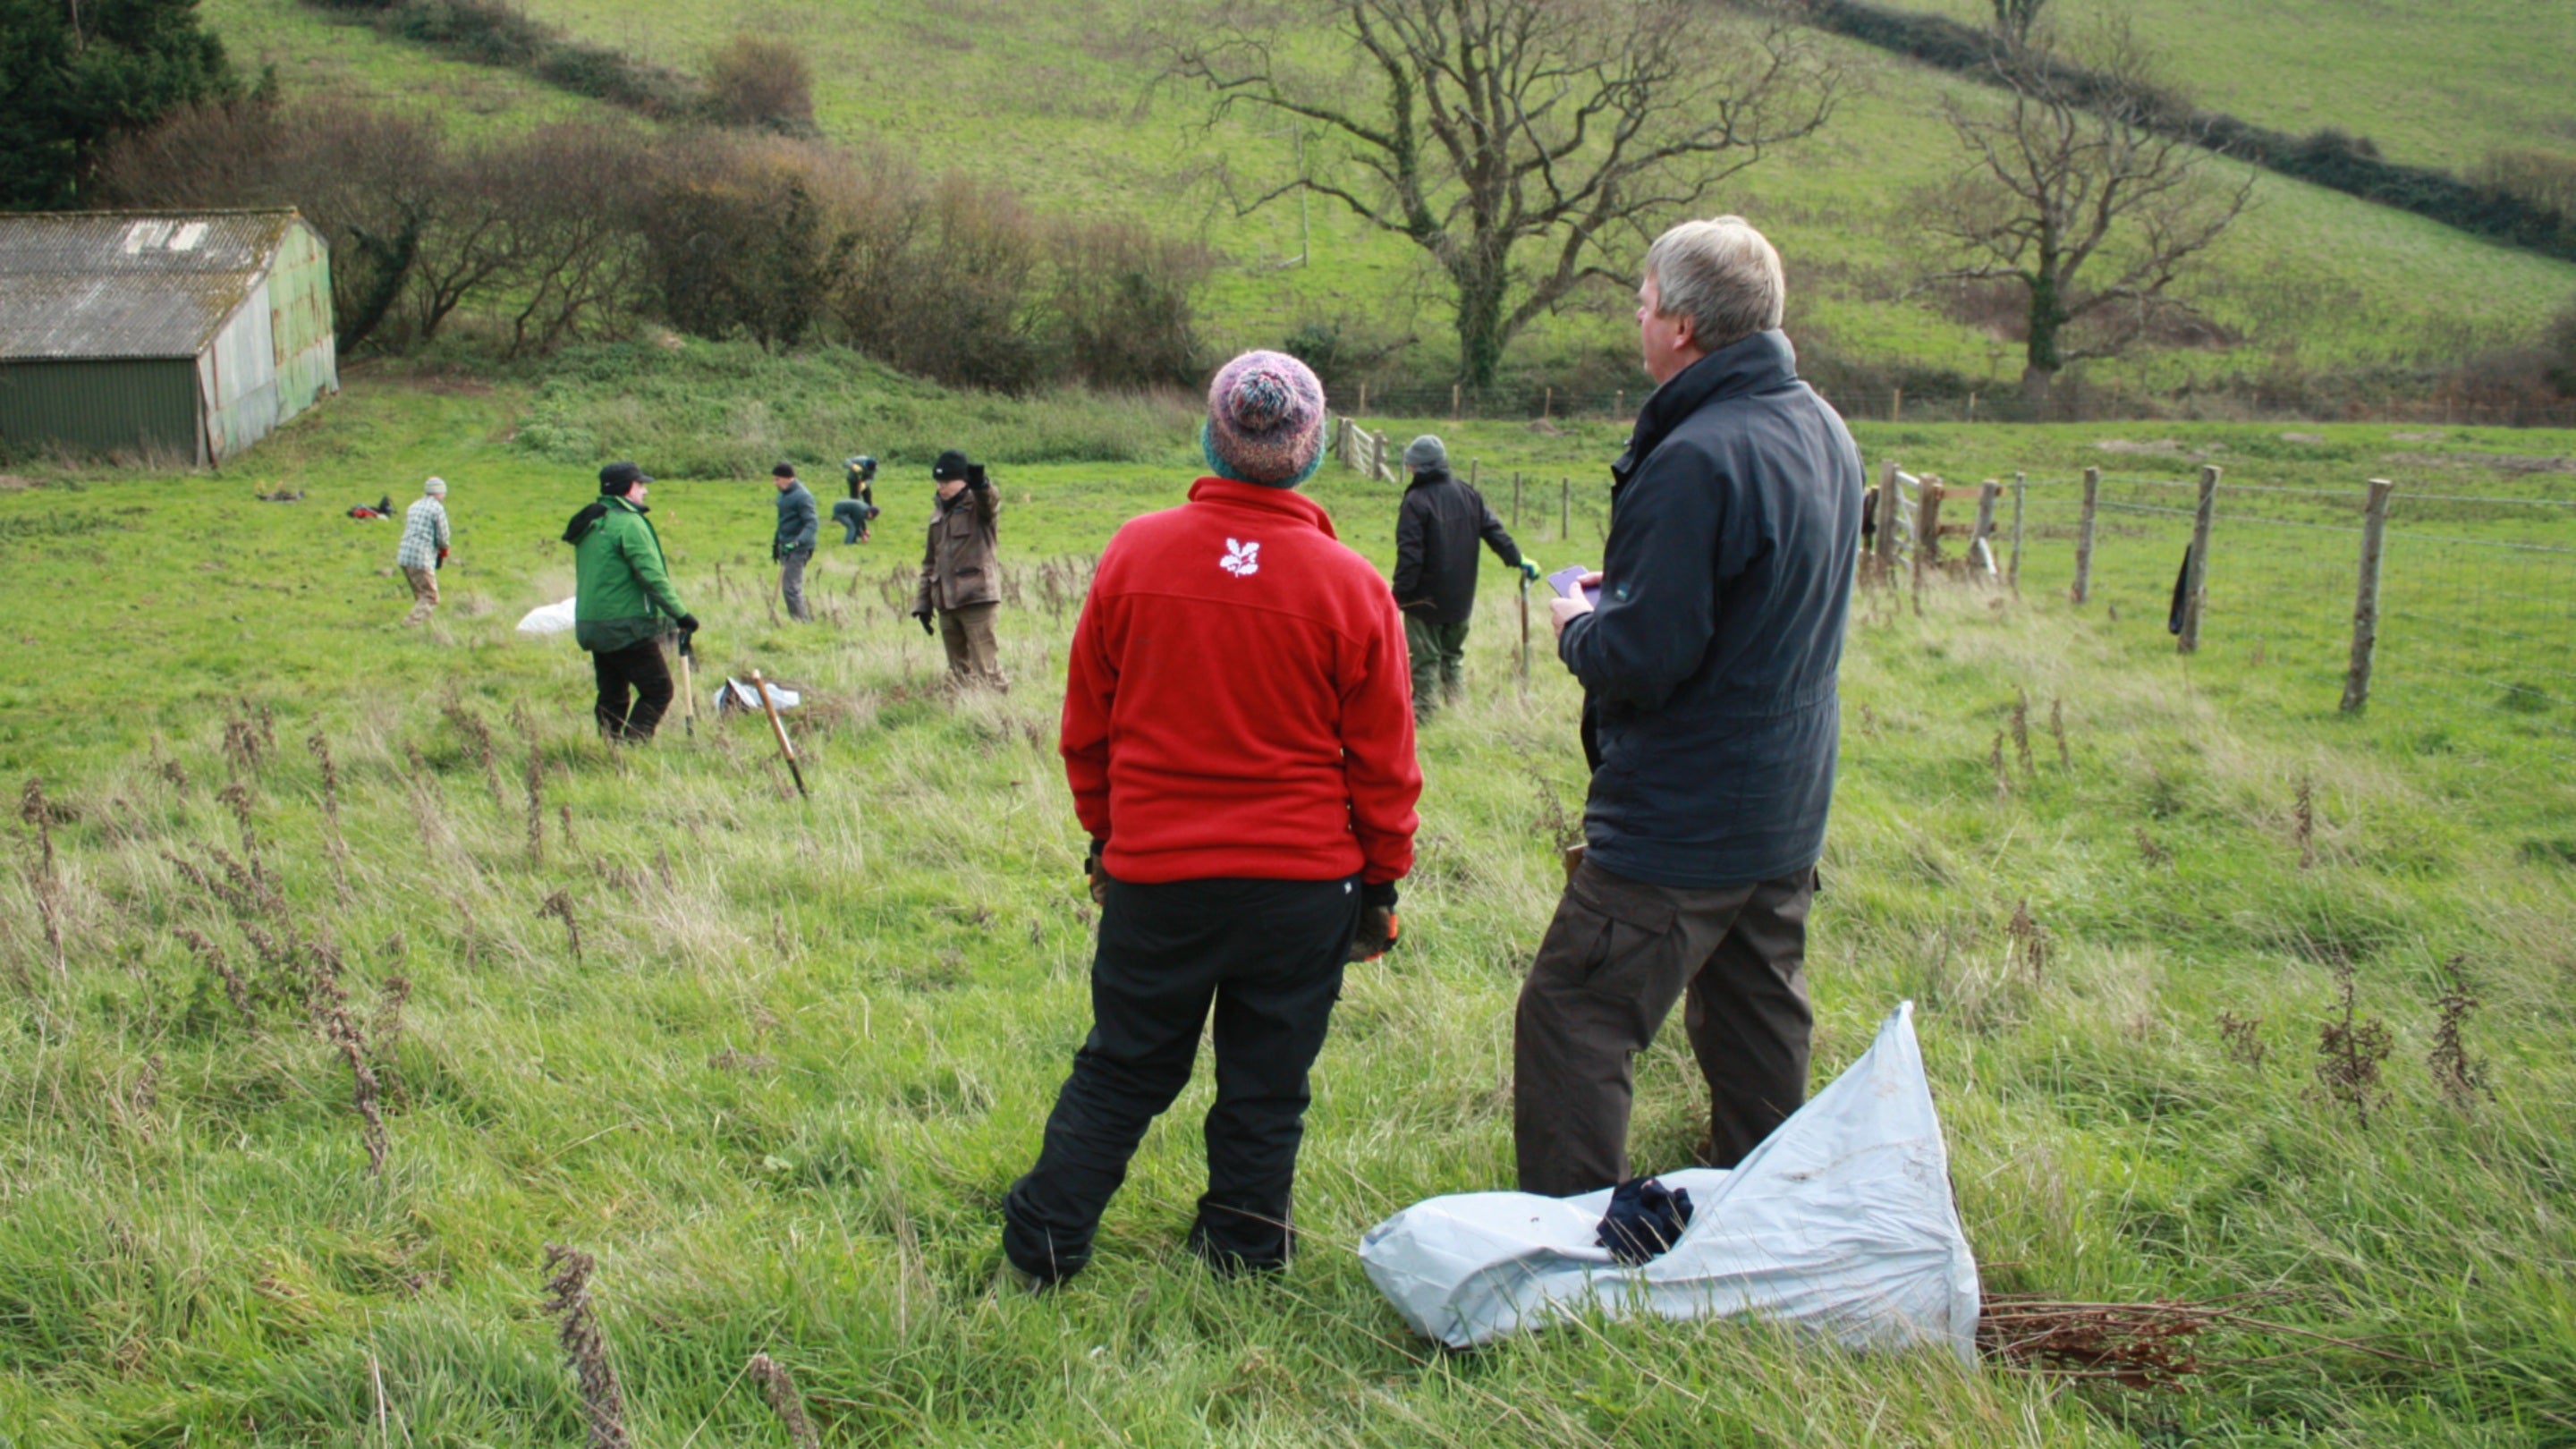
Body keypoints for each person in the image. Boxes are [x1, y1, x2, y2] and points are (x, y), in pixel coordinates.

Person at [1002, 351, 1421, 1286]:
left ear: (1214, 436)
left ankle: (1043, 1248)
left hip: (1158, 877)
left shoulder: (1135, 552)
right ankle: (1239, 1251)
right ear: (1308, 452)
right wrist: (1381, 883)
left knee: (1122, 1068)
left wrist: (1107, 837)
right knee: (1268, 1085)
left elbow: (1088, 725)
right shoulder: (1353, 587)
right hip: (1306, 886)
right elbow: (1388, 762)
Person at [1517, 216, 1863, 1197]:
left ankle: (1566, 1241)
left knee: (1574, 1014)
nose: (1636, 318)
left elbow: (1644, 657)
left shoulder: (1696, 457)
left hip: (1682, 816)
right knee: (1758, 1019)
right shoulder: (1825, 429)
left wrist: (1575, 626)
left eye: (1641, 302)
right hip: (1785, 804)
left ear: (1679, 324)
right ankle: (1763, 1211)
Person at [1390, 434, 1539, 720]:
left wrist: (1399, 595)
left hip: (1424, 600)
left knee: (1425, 658)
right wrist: (1517, 558)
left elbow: (1410, 555)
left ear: (1417, 468)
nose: (1408, 468)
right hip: (1461, 597)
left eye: (1410, 464)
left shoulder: (1416, 501)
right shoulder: (1467, 492)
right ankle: (1458, 709)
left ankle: (1424, 713)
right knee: (1453, 656)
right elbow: (1494, 531)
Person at [564, 462, 699, 742]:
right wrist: (681, 615)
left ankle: (609, 749)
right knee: (659, 690)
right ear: (627, 489)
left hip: (592, 623)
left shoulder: (592, 522)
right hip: (624, 624)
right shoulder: (628, 523)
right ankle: (633, 746)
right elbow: (652, 575)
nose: (645, 491)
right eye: (640, 485)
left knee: (613, 694)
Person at [910, 449, 1005, 690]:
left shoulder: (977, 507)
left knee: (987, 669)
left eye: (947, 481)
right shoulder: (938, 513)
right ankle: (967, 713)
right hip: (946, 604)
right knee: (959, 670)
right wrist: (923, 604)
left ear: (963, 480)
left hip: (977, 599)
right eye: (938, 481)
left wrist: (982, 485)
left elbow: (990, 503)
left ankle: (998, 714)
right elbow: (930, 563)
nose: (941, 487)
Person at [395, 477, 450, 626]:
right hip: (420, 557)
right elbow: (443, 537)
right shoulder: (437, 508)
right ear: (438, 493)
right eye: (443, 492)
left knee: (420, 595)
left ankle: (426, 625)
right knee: (431, 597)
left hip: (404, 555)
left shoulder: (414, 506)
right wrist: (443, 551)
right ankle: (410, 624)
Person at [771, 462, 818, 622]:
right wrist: (776, 543)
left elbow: (812, 523)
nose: (775, 483)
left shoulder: (803, 496)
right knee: (789, 587)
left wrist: (797, 542)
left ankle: (802, 623)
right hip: (785, 545)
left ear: (788, 478)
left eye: (777, 479)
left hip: (799, 547)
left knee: (791, 587)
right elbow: (783, 522)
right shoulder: (783, 495)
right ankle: (798, 620)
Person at [833, 455, 879, 544]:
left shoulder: (874, 467)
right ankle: (846, 516)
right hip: (853, 480)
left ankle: (867, 516)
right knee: (854, 499)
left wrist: (865, 484)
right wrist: (852, 466)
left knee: (868, 497)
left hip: (864, 481)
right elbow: (846, 461)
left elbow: (872, 478)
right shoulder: (860, 460)